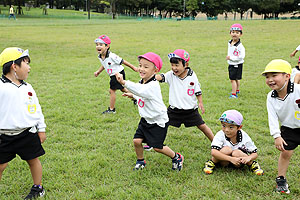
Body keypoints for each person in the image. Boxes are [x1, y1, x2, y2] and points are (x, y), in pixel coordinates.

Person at [115, 52, 184, 171]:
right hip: (146, 119)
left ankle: (176, 157)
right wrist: (133, 96)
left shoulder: (153, 85)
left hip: (158, 121)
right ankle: (141, 161)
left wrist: (124, 82)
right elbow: (141, 94)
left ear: (155, 70)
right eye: (140, 65)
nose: (141, 69)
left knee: (158, 147)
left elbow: (142, 91)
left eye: (146, 67)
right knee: (136, 141)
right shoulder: (143, 82)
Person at [0, 47, 46, 199]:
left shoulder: (28, 87)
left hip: (27, 133)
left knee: (33, 160)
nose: (29, 67)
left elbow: (36, 109)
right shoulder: (1, 87)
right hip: (4, 135)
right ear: (14, 66)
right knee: (1, 165)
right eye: (26, 63)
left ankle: (38, 188)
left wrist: (41, 129)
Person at [154, 49, 214, 142]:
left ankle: (215, 142)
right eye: (172, 65)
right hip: (174, 110)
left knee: (202, 126)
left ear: (186, 65)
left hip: (190, 110)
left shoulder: (192, 75)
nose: (174, 68)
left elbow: (197, 90)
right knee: (162, 124)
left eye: (177, 65)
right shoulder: (171, 74)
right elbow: (161, 77)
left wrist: (200, 102)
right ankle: (153, 141)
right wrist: (152, 77)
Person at [262, 59, 300, 194]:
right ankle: (281, 179)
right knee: (285, 153)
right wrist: (276, 136)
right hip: (289, 128)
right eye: (267, 77)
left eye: (274, 75)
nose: (270, 80)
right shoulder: (270, 97)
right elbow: (272, 117)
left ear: (287, 76)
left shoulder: (298, 90)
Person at [203, 110, 264, 176]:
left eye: (231, 127)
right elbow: (213, 152)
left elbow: (254, 153)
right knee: (227, 149)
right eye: (224, 126)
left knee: (236, 153)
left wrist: (248, 158)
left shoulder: (244, 136)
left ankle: (252, 164)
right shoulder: (220, 134)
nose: (226, 130)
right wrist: (231, 159)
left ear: (239, 127)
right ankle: (212, 163)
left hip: (238, 162)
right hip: (224, 161)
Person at [94, 35, 138, 114]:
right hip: (113, 75)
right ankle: (136, 98)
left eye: (101, 45)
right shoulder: (100, 56)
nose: (98, 46)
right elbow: (104, 64)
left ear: (107, 46)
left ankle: (112, 109)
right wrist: (98, 71)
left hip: (118, 74)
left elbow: (123, 61)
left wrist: (134, 68)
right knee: (122, 89)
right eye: (97, 45)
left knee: (112, 91)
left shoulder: (112, 56)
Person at [226, 24, 245, 99]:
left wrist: (231, 58)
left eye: (237, 32)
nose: (234, 34)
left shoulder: (240, 46)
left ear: (240, 34)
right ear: (230, 33)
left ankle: (234, 94)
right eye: (233, 32)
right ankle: (237, 90)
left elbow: (241, 56)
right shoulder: (229, 42)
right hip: (231, 63)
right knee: (236, 78)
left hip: (236, 64)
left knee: (233, 79)